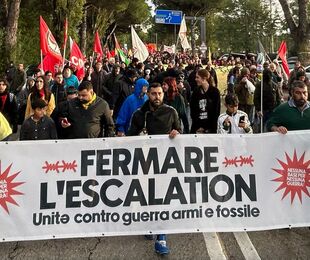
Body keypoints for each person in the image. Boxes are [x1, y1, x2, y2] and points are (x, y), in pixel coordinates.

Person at [127, 82, 181, 255]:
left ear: (163, 94)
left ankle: (161, 237)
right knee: (147, 197)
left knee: (163, 198)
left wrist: (177, 134)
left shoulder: (171, 112)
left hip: (165, 163)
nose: (156, 97)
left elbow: (180, 131)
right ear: (147, 94)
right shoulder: (139, 114)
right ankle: (148, 223)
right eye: (153, 94)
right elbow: (130, 138)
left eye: (159, 94)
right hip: (144, 163)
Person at [190, 69, 221, 134]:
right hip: (197, 128)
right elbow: (193, 111)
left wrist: (207, 128)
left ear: (204, 79)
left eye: (197, 77)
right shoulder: (196, 92)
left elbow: (216, 112)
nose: (195, 79)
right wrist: (198, 127)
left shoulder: (215, 92)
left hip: (210, 128)